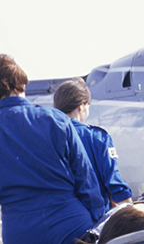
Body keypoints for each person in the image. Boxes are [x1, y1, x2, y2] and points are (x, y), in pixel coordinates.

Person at [0, 54, 104, 244]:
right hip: (72, 226)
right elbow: (85, 176)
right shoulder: (55, 119)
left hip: (20, 232)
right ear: (22, 85)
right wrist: (98, 218)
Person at [54, 78, 133, 214]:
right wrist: (131, 210)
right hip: (93, 218)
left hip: (57, 218)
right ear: (82, 106)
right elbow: (113, 182)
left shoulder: (48, 137)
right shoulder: (97, 137)